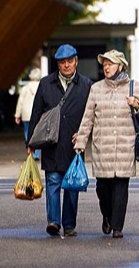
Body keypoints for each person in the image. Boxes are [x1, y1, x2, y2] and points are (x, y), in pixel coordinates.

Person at [74, 50, 139, 239]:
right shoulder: (96, 88)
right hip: (103, 147)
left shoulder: (134, 87)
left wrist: (136, 105)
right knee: (103, 189)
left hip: (125, 146)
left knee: (121, 189)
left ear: (120, 66)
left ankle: (117, 227)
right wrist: (81, 141)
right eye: (104, 64)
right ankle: (107, 216)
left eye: (110, 64)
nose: (106, 67)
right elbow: (88, 118)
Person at [28, 44, 92, 238]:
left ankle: (70, 224)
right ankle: (54, 222)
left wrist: (84, 134)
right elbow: (36, 112)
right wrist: (30, 142)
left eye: (70, 61)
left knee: (72, 185)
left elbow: (92, 115)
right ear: (57, 64)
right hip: (51, 142)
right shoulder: (46, 83)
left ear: (76, 61)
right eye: (62, 62)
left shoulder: (87, 85)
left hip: (75, 144)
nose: (66, 65)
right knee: (53, 182)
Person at [15, 67, 42, 159]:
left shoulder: (25, 88)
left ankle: (30, 151)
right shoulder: (42, 87)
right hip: (38, 114)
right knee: (38, 133)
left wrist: (17, 115)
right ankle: (37, 154)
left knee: (27, 132)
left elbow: (20, 102)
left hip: (26, 114)